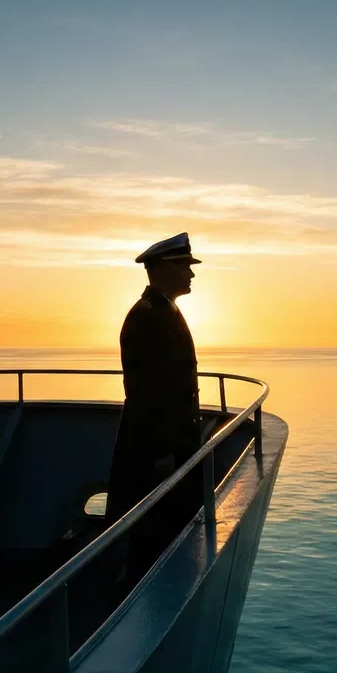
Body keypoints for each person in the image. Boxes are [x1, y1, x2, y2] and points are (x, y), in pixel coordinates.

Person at [104, 232, 206, 586]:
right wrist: (163, 453)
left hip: (171, 445)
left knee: (163, 530)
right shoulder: (149, 316)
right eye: (185, 268)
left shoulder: (164, 310)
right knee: (150, 533)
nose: (191, 275)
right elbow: (149, 394)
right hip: (156, 450)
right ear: (163, 268)